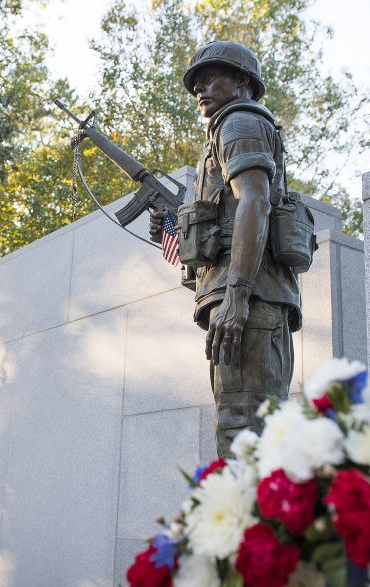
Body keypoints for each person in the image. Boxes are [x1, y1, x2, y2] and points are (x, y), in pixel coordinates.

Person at [152, 41, 301, 457]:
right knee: (246, 424)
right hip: (247, 299)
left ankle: (250, 522)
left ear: (243, 82)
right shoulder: (228, 128)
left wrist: (236, 296)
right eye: (196, 82)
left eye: (211, 77)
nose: (200, 88)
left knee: (245, 431)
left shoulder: (237, 122)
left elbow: (255, 199)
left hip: (249, 301)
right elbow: (228, 220)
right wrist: (177, 231)